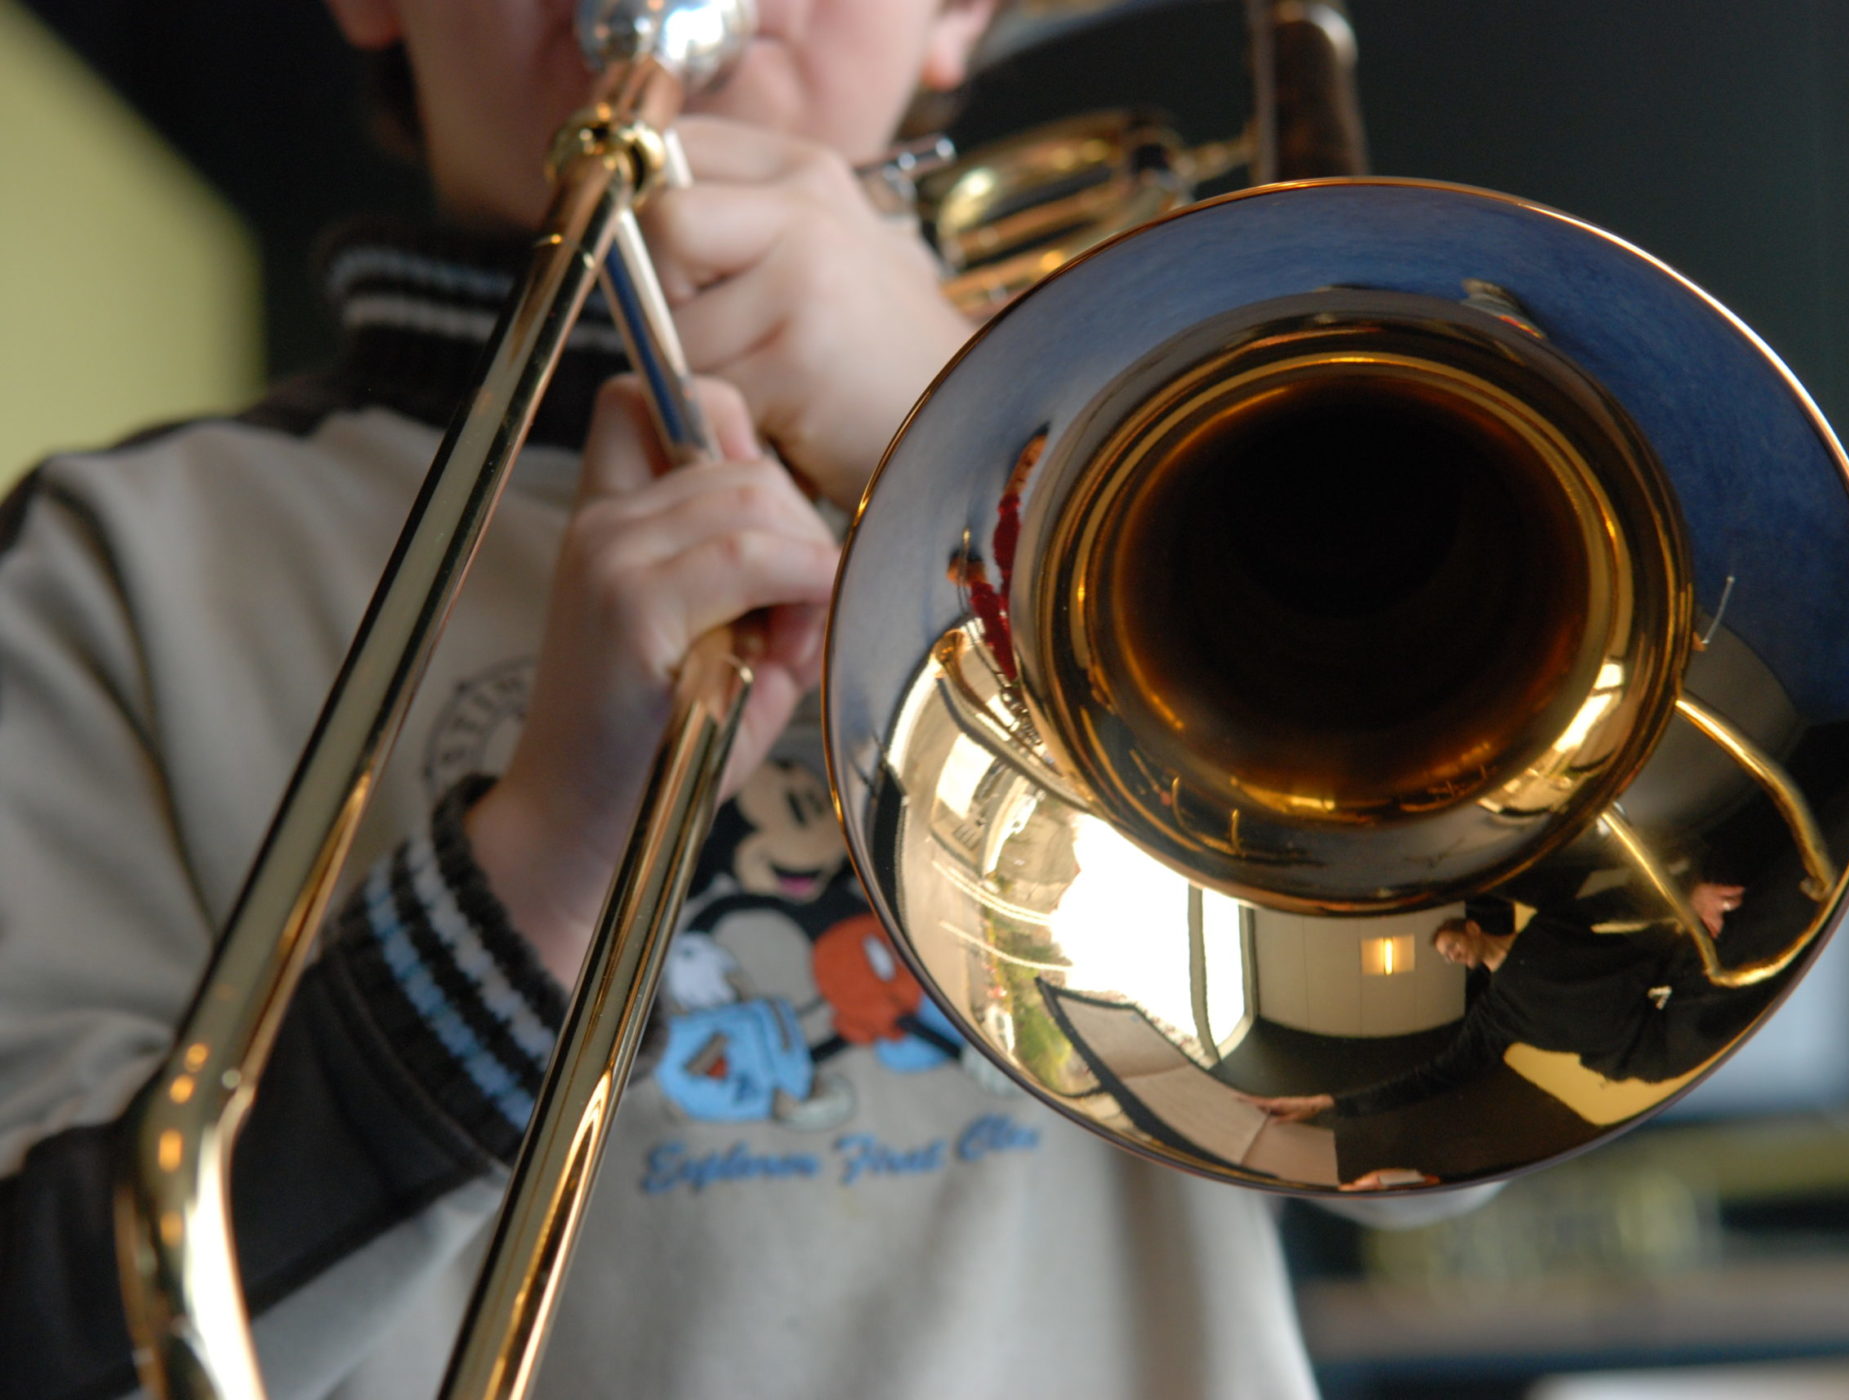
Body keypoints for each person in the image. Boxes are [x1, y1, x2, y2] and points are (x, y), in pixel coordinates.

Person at [0, 3, 1370, 1396]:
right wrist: (538, 872)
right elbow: (52, 1349)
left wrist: (996, 469)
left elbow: (1422, 1123)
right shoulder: (117, 561)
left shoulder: (1159, 489)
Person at [1246, 881, 1750, 1129]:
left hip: (1680, 970)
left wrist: (1687, 896)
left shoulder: (1548, 929)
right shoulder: (1495, 1016)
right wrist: (1332, 1103)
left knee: (1755, 936)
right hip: (1650, 1051)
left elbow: (1620, 901)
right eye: (1447, 958)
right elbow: (1435, 1075)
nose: (1453, 957)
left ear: (1470, 929)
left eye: (1450, 946)